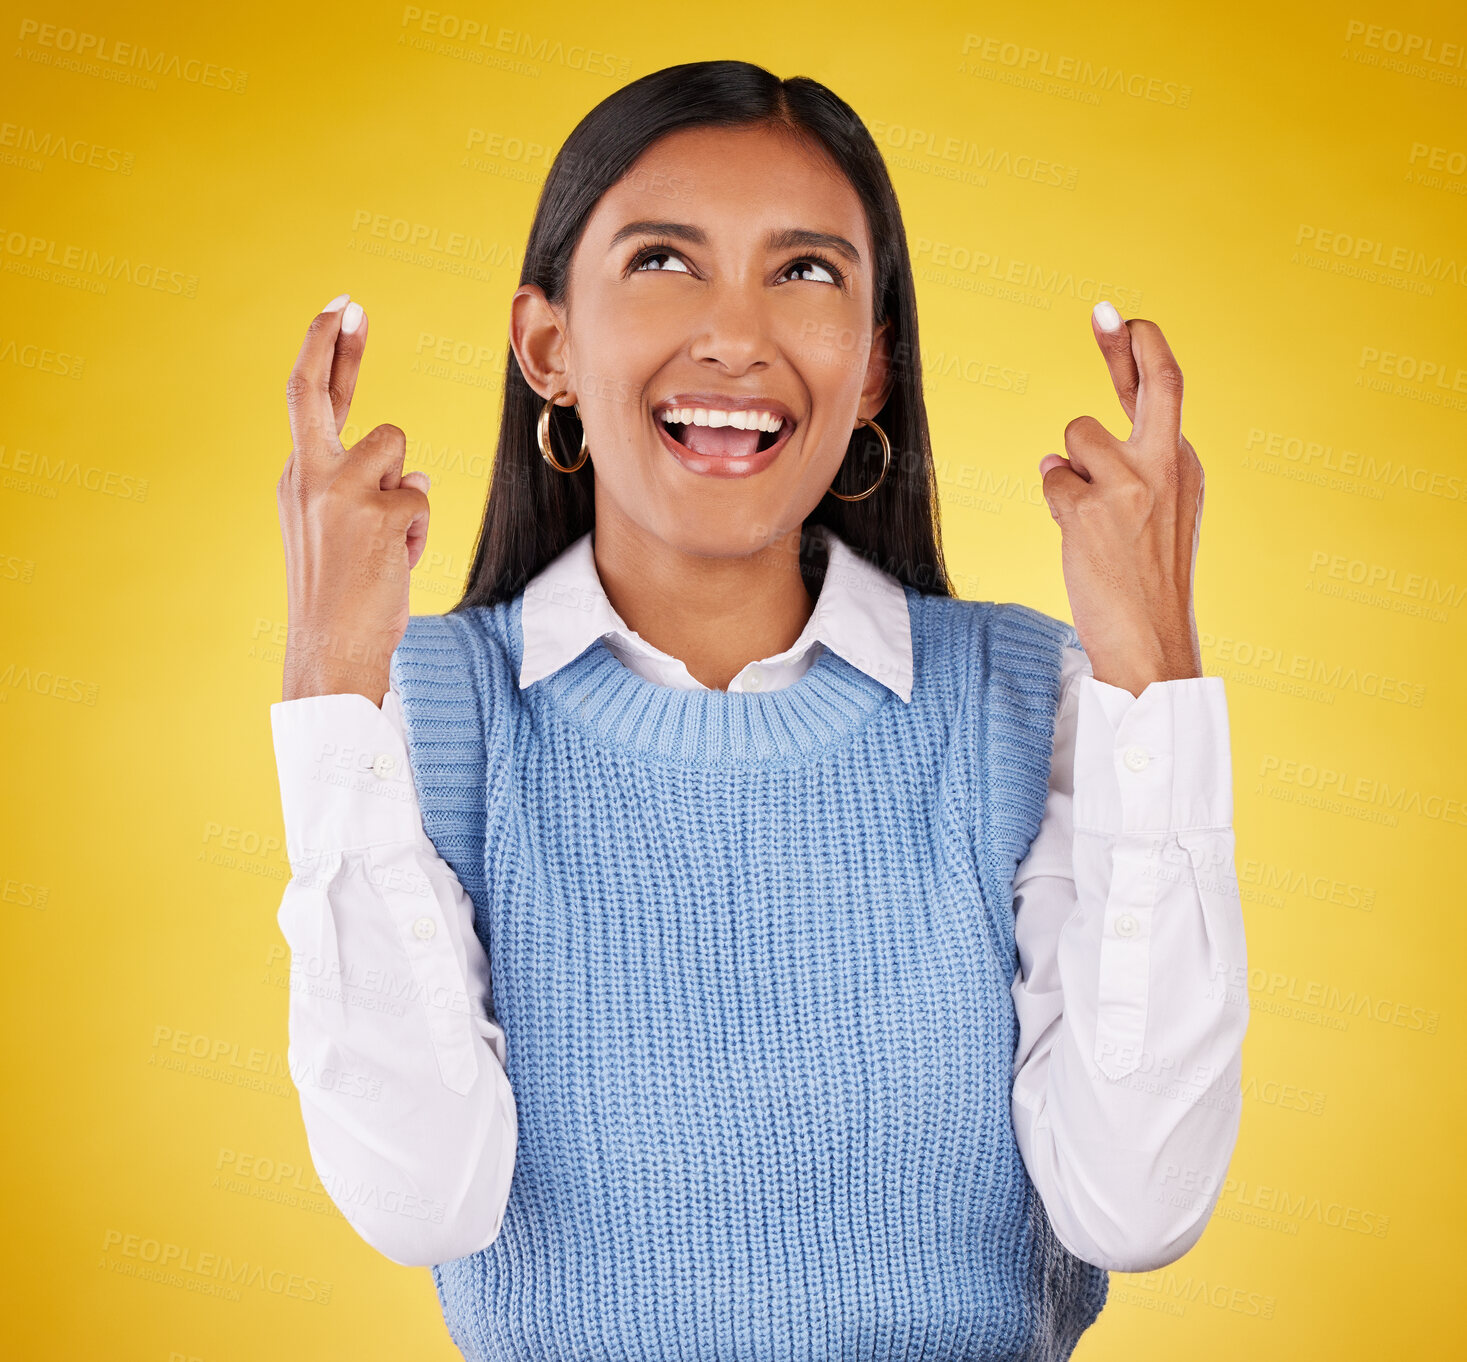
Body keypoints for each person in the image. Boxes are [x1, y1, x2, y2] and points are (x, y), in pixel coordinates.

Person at [270, 60, 1247, 1362]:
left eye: (807, 273)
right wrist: (329, 691)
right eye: (667, 259)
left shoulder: (1033, 701)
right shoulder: (430, 715)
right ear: (548, 344)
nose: (737, 335)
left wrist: (1155, 672)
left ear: (878, 367)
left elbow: (1137, 1203)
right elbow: (421, 1201)